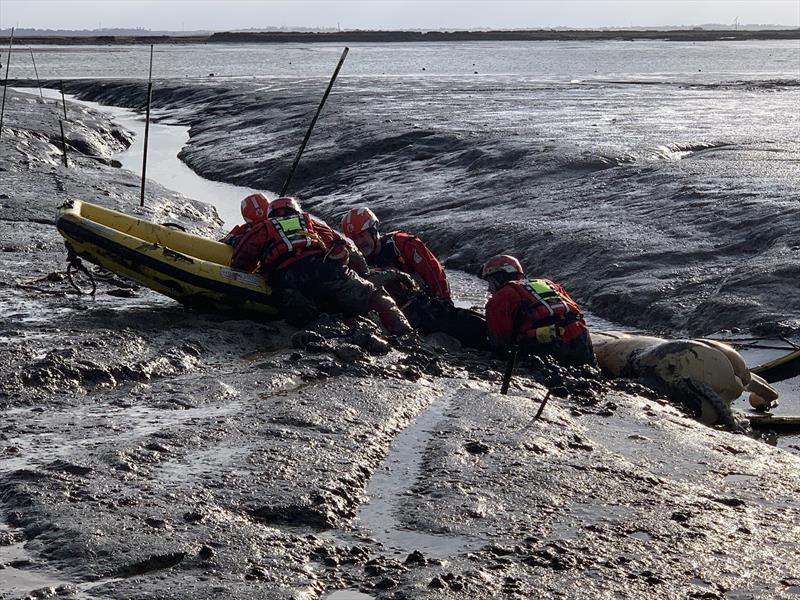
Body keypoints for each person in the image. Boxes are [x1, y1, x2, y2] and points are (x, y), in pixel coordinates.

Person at [231, 197, 411, 335]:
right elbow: (345, 248)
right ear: (295, 210)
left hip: (287, 280)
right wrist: (363, 273)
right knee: (374, 297)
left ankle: (325, 330)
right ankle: (404, 333)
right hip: (325, 270)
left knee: (306, 318)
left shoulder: (263, 227)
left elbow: (240, 260)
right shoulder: (310, 222)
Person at [340, 207, 487, 349]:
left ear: (373, 231)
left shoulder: (403, 245)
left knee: (472, 328)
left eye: (361, 236)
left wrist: (444, 302)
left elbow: (434, 273)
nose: (359, 243)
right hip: (391, 318)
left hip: (425, 307)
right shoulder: (355, 262)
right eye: (354, 238)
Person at [480, 255, 595, 367]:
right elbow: (576, 312)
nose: (489, 289)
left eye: (490, 282)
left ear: (498, 277)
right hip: (581, 335)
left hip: (545, 343)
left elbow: (501, 341)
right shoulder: (548, 284)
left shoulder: (500, 298)